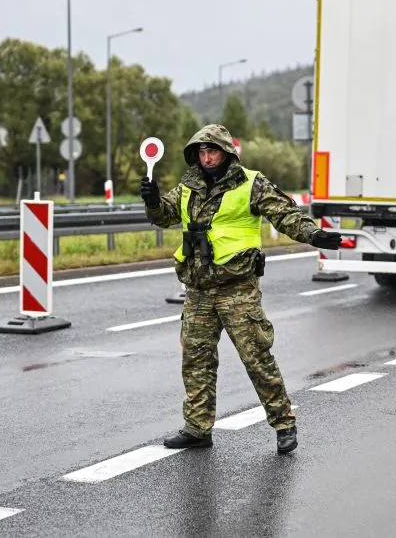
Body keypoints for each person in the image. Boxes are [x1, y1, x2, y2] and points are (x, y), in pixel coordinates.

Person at [139, 124, 342, 454]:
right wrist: (152, 201)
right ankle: (197, 428)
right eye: (201, 153)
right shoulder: (188, 186)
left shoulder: (251, 183)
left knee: (256, 358)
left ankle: (284, 423)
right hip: (199, 289)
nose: (206, 158)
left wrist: (313, 235)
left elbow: (285, 214)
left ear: (226, 153)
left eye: (212, 151)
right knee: (196, 361)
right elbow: (164, 216)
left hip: (238, 289)